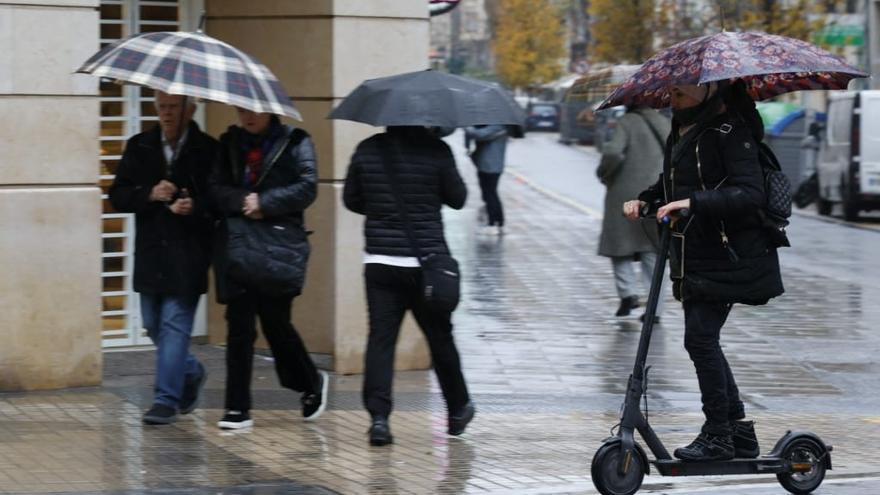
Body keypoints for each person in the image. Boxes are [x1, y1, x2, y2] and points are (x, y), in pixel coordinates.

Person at [623, 80, 783, 461]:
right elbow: (673, 184)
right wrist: (648, 201)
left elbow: (750, 193)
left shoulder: (733, 132)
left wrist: (692, 203)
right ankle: (737, 432)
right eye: (671, 92)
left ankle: (718, 435)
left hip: (732, 254)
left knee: (699, 339)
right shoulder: (681, 129)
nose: (672, 97)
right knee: (702, 339)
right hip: (696, 252)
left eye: (680, 92)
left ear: (708, 91)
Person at [343, 126, 474, 446]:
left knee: (381, 341)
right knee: (440, 338)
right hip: (424, 265)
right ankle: (457, 411)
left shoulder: (366, 149)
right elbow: (458, 199)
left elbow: (351, 199)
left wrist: (381, 208)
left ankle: (378, 420)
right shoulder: (437, 150)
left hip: (380, 263)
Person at [209, 108, 327, 429]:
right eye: (241, 110)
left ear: (271, 111)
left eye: (254, 111)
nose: (247, 116)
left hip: (278, 244)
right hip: (239, 244)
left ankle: (311, 381)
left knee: (276, 324)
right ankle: (237, 408)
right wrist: (244, 200)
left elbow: (307, 187)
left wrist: (266, 202)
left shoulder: (296, 141)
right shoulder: (229, 143)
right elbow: (215, 188)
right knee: (239, 326)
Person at [109, 91, 217, 425]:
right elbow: (118, 195)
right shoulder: (139, 145)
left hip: (188, 253)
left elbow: (219, 200)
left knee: (173, 325)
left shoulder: (209, 149)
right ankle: (191, 369)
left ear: (191, 109)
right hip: (152, 253)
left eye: (173, 107)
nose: (166, 114)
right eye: (161, 107)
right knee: (154, 324)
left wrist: (193, 207)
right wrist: (150, 193)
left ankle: (165, 400)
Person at [596, 106, 669, 320]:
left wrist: (605, 173)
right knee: (651, 250)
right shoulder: (664, 122)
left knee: (619, 245)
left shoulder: (627, 121)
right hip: (656, 192)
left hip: (624, 191)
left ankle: (627, 293)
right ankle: (654, 308)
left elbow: (612, 152)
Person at [464, 124, 508, 235]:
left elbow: (480, 135)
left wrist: (467, 128)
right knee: (489, 193)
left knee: (490, 194)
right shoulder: (488, 124)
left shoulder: (498, 125)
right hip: (485, 164)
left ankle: (493, 223)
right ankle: (498, 221)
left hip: (492, 166)